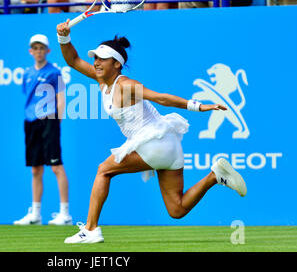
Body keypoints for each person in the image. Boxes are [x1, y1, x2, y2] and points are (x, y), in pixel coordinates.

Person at [55, 19, 247, 243]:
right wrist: (63, 36)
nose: (96, 62)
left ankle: (90, 229)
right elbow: (73, 60)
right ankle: (215, 176)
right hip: (170, 146)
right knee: (177, 209)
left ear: (116, 64)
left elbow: (161, 98)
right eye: (95, 58)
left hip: (154, 142)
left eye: (102, 59)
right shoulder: (102, 80)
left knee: (103, 170)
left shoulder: (125, 85)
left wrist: (199, 106)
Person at [14, 34, 73, 226]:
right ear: (31, 51)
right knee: (35, 169)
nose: (39, 51)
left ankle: (65, 214)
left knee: (56, 166)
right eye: (35, 48)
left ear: (48, 51)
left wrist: (58, 120)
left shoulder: (54, 72)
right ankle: (36, 215)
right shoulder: (27, 73)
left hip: (49, 120)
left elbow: (61, 97)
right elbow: (29, 97)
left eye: (42, 48)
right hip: (30, 121)